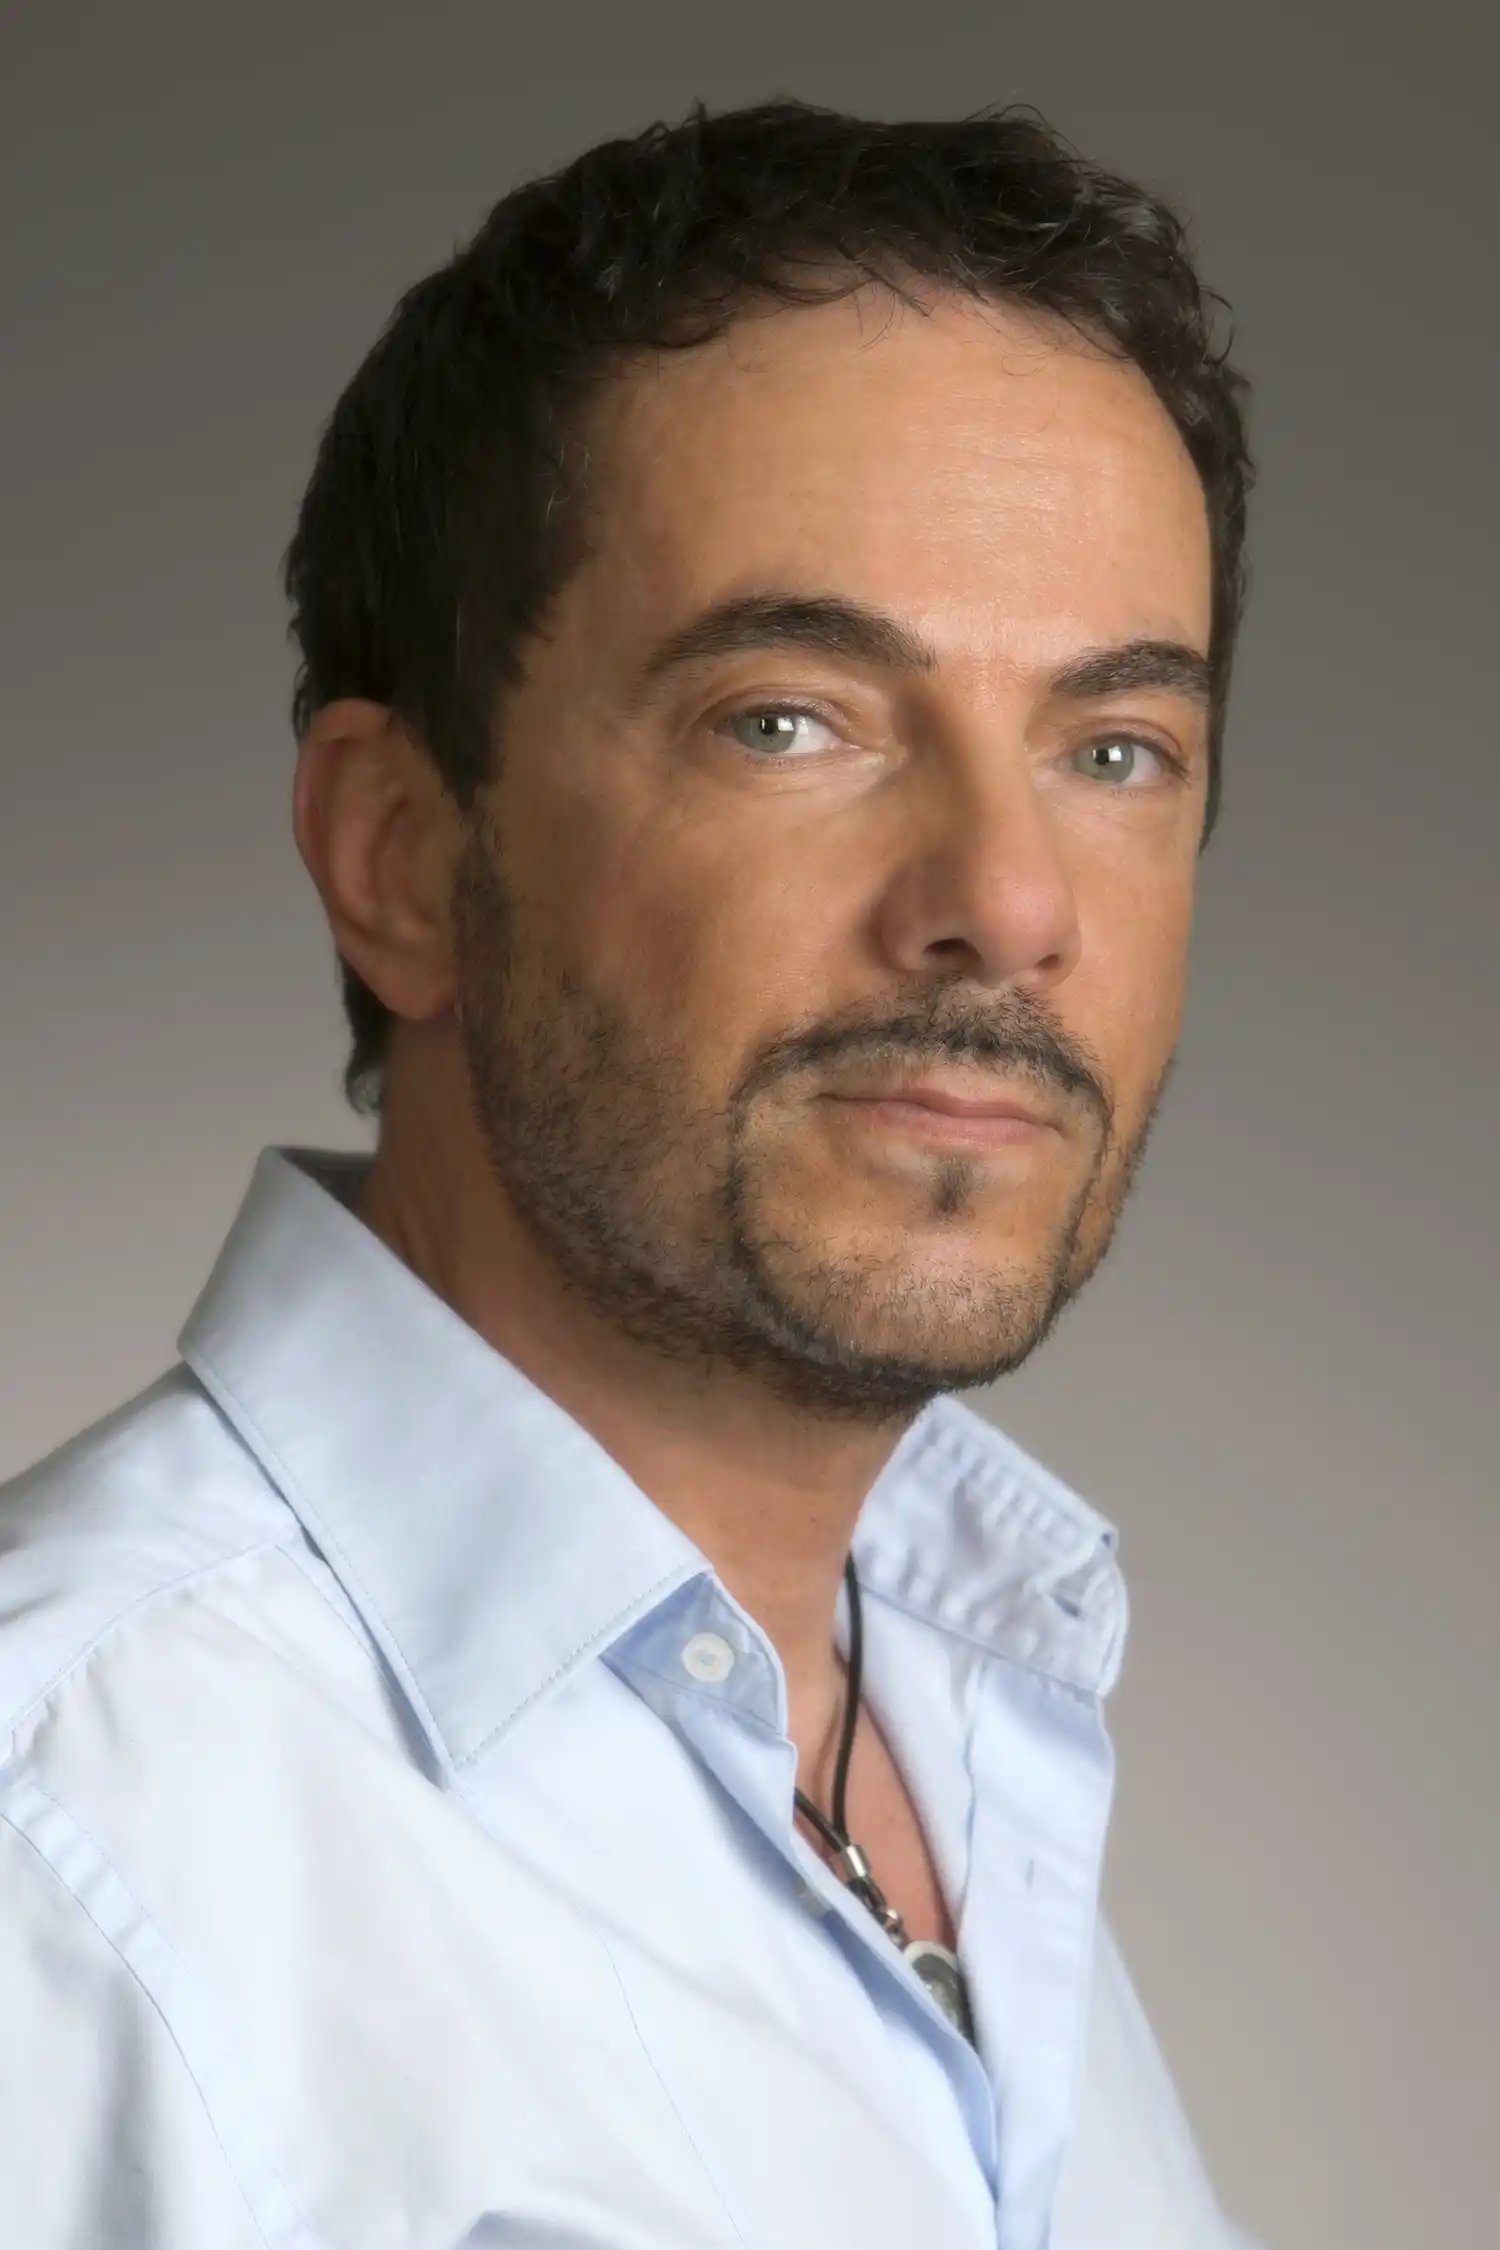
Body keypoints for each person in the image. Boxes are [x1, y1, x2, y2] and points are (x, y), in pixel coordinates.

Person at [0, 98, 1262, 2248]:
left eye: (1113, 748)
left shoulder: (968, 1720)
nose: (1008, 900)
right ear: (400, 858)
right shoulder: (62, 1860)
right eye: (791, 719)